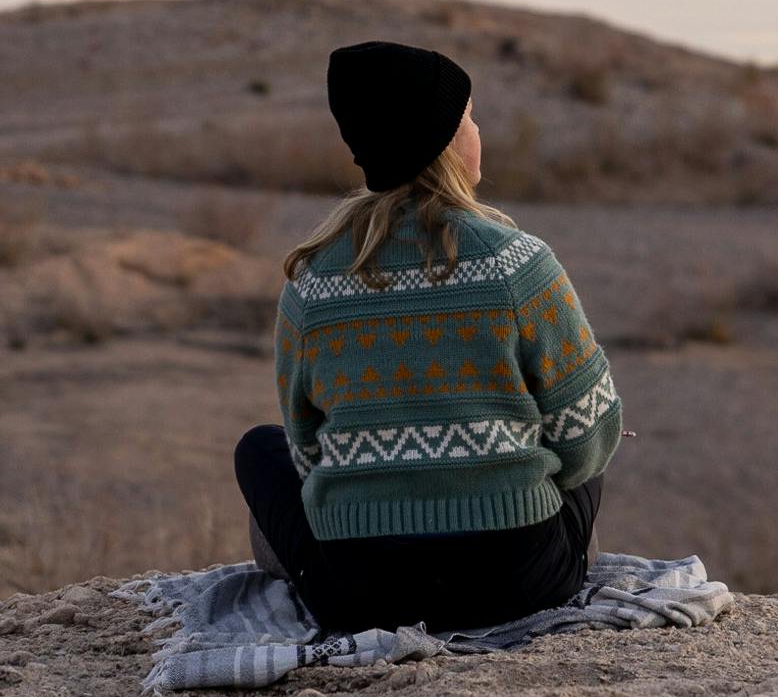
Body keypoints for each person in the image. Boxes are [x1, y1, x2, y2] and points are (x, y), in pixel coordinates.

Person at [234, 38, 622, 637]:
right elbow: (588, 442)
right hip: (518, 583)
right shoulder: (518, 263)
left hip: (362, 596)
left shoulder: (311, 284)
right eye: (469, 117)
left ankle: (302, 576)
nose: (478, 131)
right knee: (587, 418)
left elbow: (307, 456)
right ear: (442, 138)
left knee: (259, 448)